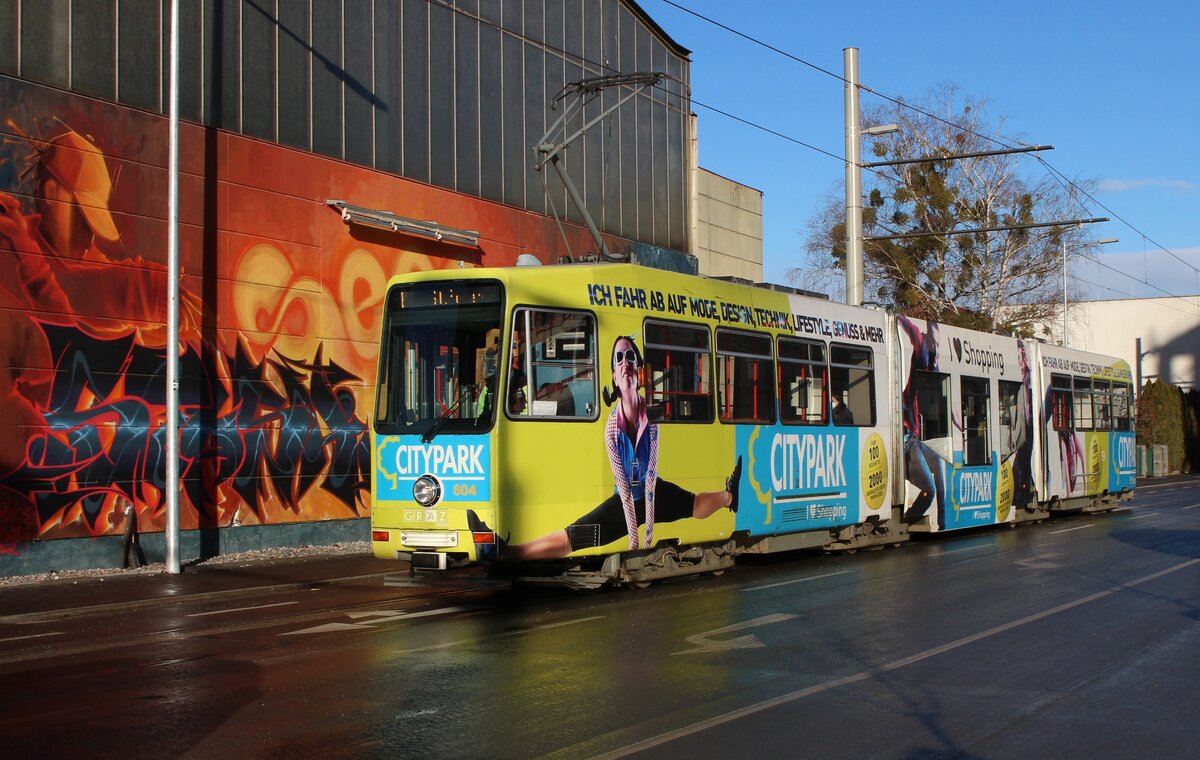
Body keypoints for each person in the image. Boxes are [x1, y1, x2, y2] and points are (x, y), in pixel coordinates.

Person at [471, 335, 741, 560]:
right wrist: (635, 535)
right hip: (624, 503)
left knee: (692, 504)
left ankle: (728, 496)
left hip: (651, 492)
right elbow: (623, 487)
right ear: (614, 375)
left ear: (639, 371)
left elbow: (651, 475)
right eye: (619, 358)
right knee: (572, 537)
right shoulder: (612, 426)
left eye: (630, 357)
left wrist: (648, 532)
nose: (625, 363)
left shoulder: (651, 416)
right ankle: (503, 552)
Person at [897, 315, 947, 526]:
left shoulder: (934, 368)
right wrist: (899, 319)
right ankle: (908, 519)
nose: (937, 347)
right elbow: (914, 333)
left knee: (940, 469)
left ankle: (943, 521)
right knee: (930, 488)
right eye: (934, 342)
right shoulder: (923, 355)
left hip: (917, 438)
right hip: (909, 438)